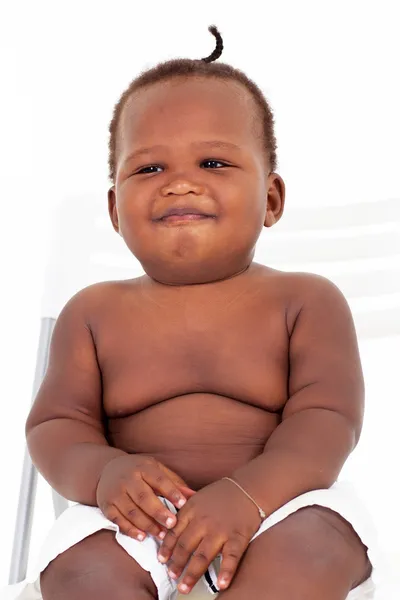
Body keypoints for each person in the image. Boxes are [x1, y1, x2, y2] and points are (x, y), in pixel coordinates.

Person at [4, 25, 379, 600]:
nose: (180, 185)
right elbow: (56, 426)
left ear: (272, 200)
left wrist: (247, 496)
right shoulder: (94, 312)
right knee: (80, 572)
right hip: (133, 523)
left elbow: (328, 421)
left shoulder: (306, 301)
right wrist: (105, 473)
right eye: (149, 169)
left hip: (279, 508)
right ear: (114, 208)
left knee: (316, 547)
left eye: (213, 163)